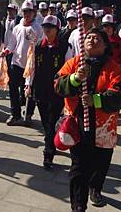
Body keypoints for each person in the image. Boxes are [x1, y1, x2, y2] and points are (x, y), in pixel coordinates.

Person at [55, 28, 121, 210]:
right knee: (78, 168)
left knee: (99, 165)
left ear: (105, 45)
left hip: (103, 129)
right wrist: (75, 79)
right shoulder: (74, 63)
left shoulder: (114, 68)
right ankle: (78, 206)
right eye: (88, 37)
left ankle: (95, 188)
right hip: (77, 125)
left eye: (97, 38)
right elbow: (57, 84)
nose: (92, 40)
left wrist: (96, 100)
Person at [25, 15, 69, 169]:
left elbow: (69, 68)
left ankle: (48, 153)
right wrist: (28, 84)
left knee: (51, 120)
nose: (47, 30)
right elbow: (31, 67)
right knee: (46, 122)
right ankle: (51, 140)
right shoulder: (38, 46)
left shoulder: (64, 47)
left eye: (50, 28)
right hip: (40, 88)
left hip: (57, 90)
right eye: (45, 27)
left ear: (57, 30)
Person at [4, 0, 43, 125]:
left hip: (31, 65)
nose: (27, 14)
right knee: (13, 87)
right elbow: (12, 44)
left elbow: (40, 45)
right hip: (16, 62)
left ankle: (29, 114)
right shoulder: (17, 27)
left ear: (34, 12)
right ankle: (15, 114)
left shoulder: (37, 28)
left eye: (29, 12)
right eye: (25, 11)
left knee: (29, 90)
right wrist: (6, 51)